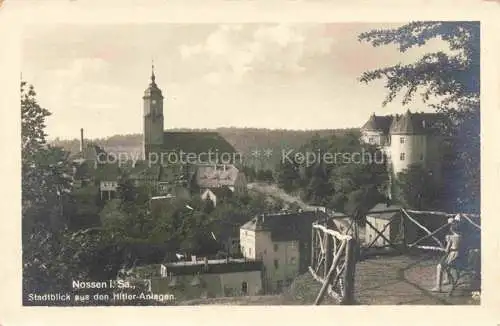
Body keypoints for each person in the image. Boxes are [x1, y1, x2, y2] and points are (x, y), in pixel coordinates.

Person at [431, 215, 463, 292]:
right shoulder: (461, 235)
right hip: (459, 255)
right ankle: (447, 279)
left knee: (439, 266)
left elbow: (446, 250)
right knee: (445, 261)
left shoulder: (451, 237)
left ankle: (438, 287)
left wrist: (447, 242)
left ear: (452, 227)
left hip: (453, 255)